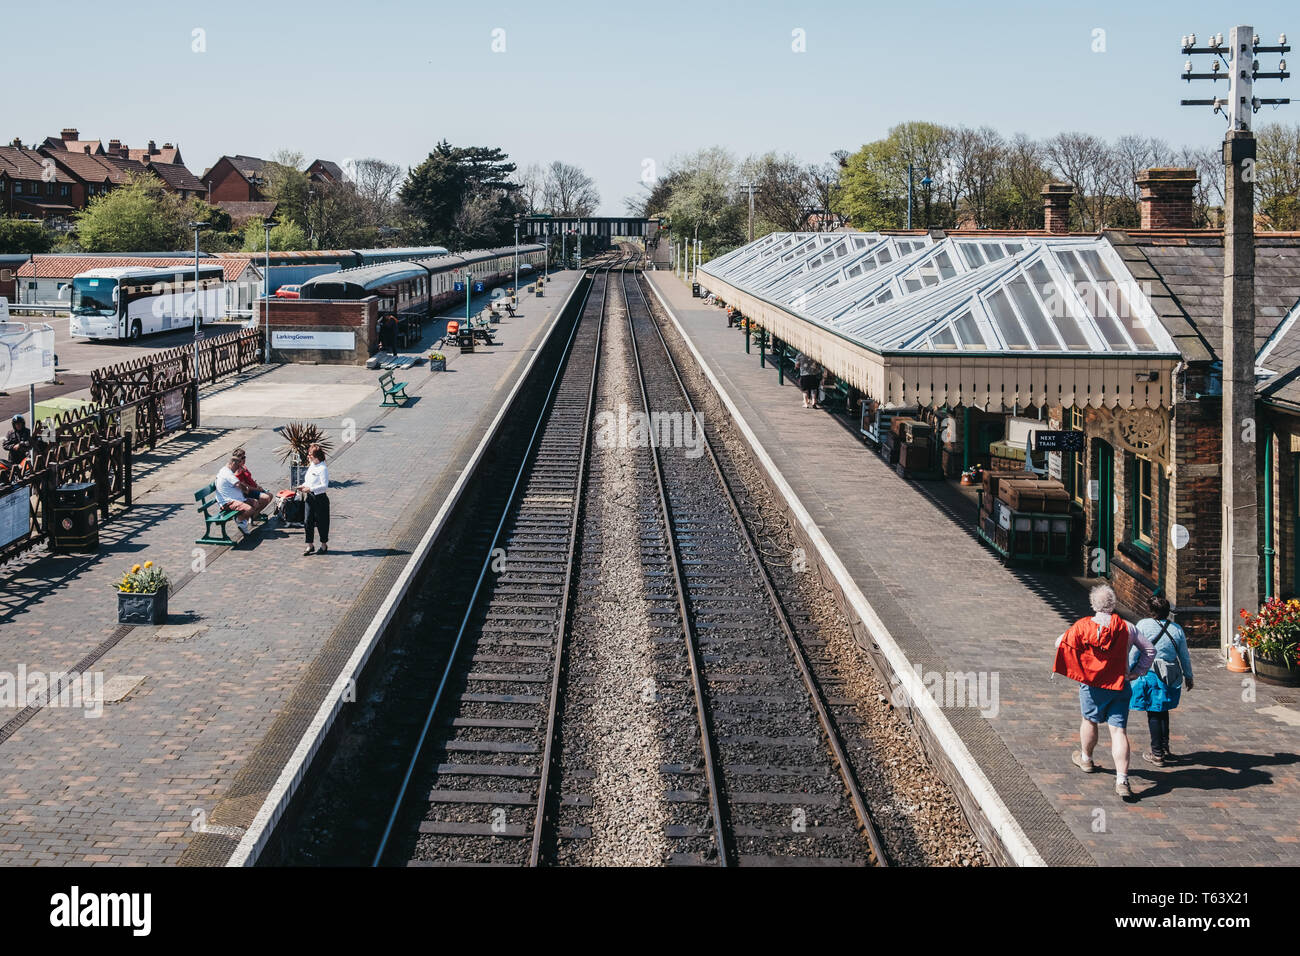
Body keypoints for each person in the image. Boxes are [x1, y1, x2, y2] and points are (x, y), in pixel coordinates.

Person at [1054, 584, 1156, 800]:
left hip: (1092, 685)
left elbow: (1059, 643)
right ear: (1114, 604)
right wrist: (1138, 671)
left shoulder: (1083, 626)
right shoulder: (1127, 627)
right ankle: (1122, 780)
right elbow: (1149, 650)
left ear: (1093, 604)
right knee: (1118, 731)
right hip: (1120, 684)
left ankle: (1086, 759)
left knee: (1089, 721)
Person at [1129, 595, 1195, 767]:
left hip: (1151, 674)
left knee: (1154, 713)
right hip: (1171, 675)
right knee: (1163, 711)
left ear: (1151, 610)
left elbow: (1135, 652)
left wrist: (1127, 671)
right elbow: (1184, 656)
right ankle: (1164, 747)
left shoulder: (1143, 625)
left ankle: (1157, 753)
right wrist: (1189, 675)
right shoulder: (1177, 629)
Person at [215, 454, 267, 534]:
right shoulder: (227, 473)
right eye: (237, 467)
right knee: (249, 509)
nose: (238, 469)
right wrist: (246, 490)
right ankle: (239, 520)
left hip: (237, 499)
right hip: (228, 502)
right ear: (233, 464)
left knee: (256, 504)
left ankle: (243, 522)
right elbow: (238, 484)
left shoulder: (227, 471)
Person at [298, 443, 330, 556]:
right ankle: (310, 545)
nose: (308, 456)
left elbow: (325, 486)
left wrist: (310, 488)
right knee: (307, 521)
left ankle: (323, 544)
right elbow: (309, 480)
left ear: (316, 456)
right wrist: (303, 486)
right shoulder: (312, 465)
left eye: (310, 454)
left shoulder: (323, 468)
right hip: (310, 498)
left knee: (322, 522)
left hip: (320, 499)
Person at [231, 447, 273, 516]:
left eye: (244, 457)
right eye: (242, 458)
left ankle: (255, 514)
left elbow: (250, 479)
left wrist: (257, 485)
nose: (244, 459)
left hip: (254, 488)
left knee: (270, 495)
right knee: (266, 497)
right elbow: (245, 486)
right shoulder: (237, 472)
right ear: (237, 460)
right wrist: (257, 489)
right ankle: (254, 515)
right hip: (248, 492)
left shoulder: (243, 467)